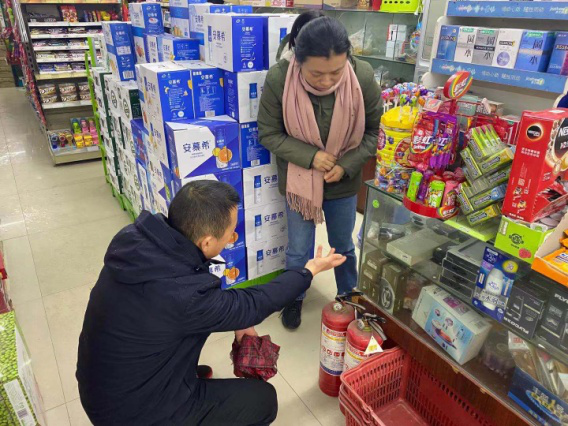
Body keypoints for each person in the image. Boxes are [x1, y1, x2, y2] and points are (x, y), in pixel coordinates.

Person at [76, 180, 346, 426]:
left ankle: (182, 376)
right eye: (230, 232)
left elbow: (198, 290)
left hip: (101, 386)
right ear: (206, 241)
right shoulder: (185, 296)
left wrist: (237, 319)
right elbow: (254, 303)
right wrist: (307, 271)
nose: (233, 238)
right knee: (263, 399)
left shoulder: (138, 242)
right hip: (132, 415)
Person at [258, 16, 382, 330]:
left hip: (344, 181)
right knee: (299, 249)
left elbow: (373, 133)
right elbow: (269, 134)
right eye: (316, 73)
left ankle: (349, 297)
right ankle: (294, 297)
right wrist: (312, 156)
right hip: (300, 183)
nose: (327, 82)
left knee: (344, 245)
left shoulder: (362, 76)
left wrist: (347, 165)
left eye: (336, 72)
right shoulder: (279, 78)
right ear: (298, 59)